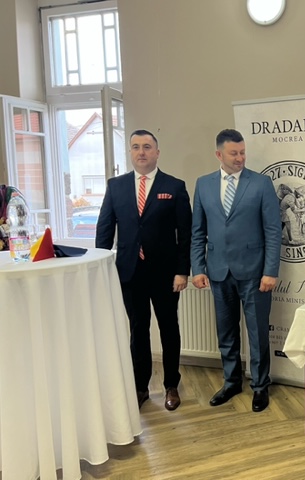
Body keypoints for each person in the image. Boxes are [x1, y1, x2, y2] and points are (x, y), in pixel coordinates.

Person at [96, 129, 192, 411]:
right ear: (130, 152)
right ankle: (140, 387)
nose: (141, 152)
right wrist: (102, 268)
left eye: (147, 147)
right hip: (130, 272)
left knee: (168, 328)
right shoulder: (116, 186)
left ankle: (171, 384)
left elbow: (185, 234)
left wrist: (182, 271)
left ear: (157, 152)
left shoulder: (174, 186)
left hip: (165, 274)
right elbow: (104, 230)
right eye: (136, 147)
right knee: (138, 330)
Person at [191, 128, 280, 413]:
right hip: (218, 272)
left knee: (257, 333)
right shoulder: (203, 184)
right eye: (234, 153)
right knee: (226, 333)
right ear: (219, 154)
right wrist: (198, 267)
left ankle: (260, 386)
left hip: (255, 273)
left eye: (242, 152)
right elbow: (197, 231)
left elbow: (273, 231)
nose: (240, 158)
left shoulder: (261, 183)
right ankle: (231, 382)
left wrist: (270, 271)